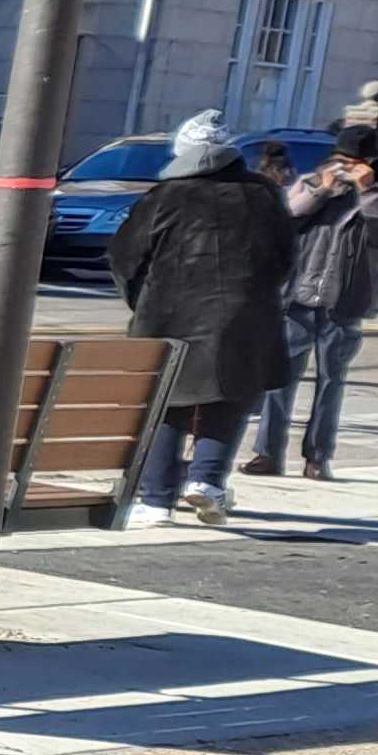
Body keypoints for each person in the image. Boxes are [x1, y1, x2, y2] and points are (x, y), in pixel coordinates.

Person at [109, 107, 295, 527]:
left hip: (169, 316)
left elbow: (125, 259)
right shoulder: (262, 195)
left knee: (166, 404)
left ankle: (156, 500)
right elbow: (285, 258)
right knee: (232, 394)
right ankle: (206, 481)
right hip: (247, 314)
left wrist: (143, 301)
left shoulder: (164, 197)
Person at [245, 119, 378, 480]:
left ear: (370, 163)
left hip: (345, 299)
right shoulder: (311, 182)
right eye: (339, 159)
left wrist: (369, 193)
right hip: (299, 297)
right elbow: (285, 216)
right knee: (280, 379)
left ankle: (318, 457)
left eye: (352, 163)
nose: (344, 169)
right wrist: (321, 190)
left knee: (331, 381)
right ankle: (267, 454)